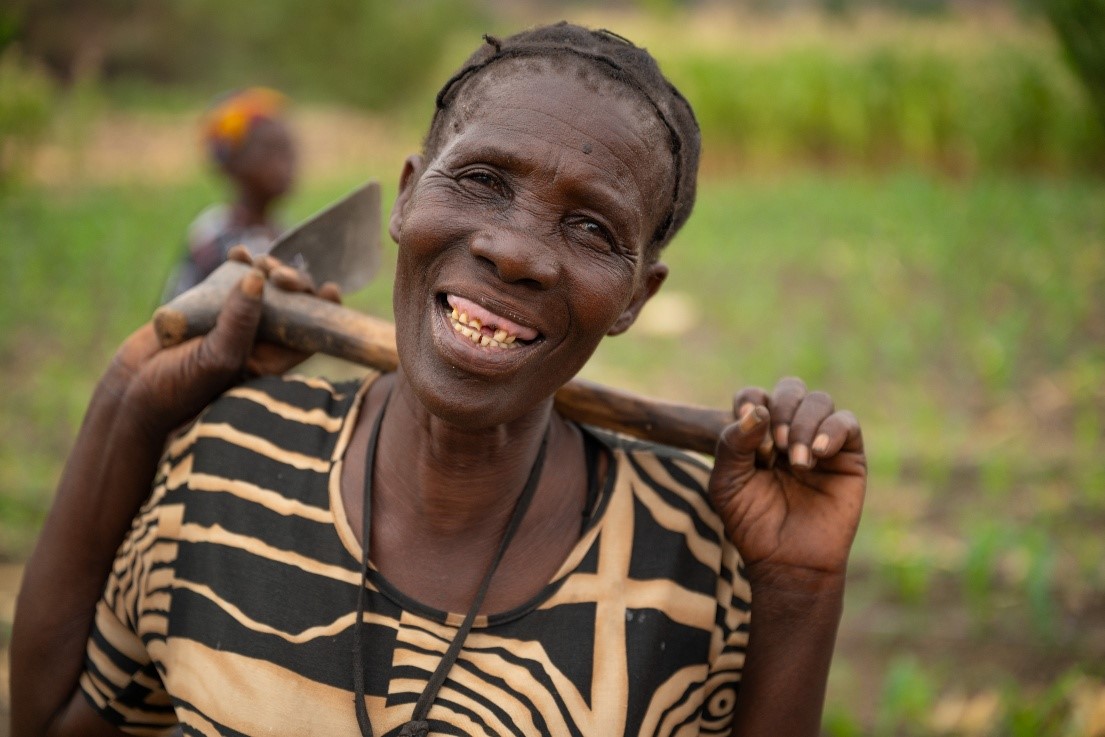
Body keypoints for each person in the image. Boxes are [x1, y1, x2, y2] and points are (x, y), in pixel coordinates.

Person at [11, 23, 866, 737]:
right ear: (407, 196)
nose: (516, 251)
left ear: (635, 297)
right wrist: (130, 399)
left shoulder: (689, 556)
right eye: (483, 181)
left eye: (590, 228)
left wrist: (799, 590)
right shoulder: (225, 470)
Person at [161, 87, 296, 301]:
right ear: (232, 164)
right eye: (269, 150)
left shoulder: (285, 233)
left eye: (288, 151)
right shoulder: (214, 237)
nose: (285, 164)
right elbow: (178, 309)